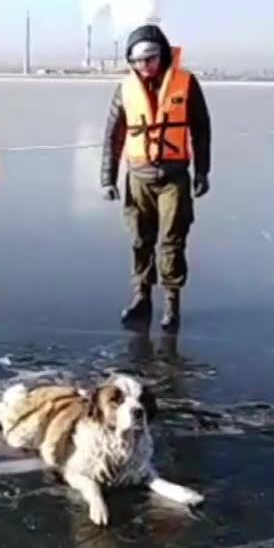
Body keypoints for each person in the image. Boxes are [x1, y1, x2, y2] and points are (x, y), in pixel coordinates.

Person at [100, 24, 212, 333]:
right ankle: (141, 297)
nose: (144, 66)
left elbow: (201, 129)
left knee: (172, 240)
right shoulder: (125, 88)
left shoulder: (186, 83)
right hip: (138, 176)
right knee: (140, 239)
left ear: (161, 55)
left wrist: (203, 170)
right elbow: (113, 136)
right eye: (137, 61)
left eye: (150, 59)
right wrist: (107, 178)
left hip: (174, 176)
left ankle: (172, 304)